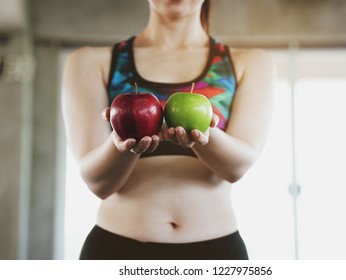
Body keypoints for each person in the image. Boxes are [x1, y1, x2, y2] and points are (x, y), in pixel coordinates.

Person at [61, 0, 275, 260]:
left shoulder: (249, 62)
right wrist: (121, 146)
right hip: (116, 248)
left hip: (215, 251)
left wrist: (202, 136)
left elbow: (237, 167)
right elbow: (98, 183)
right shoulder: (91, 61)